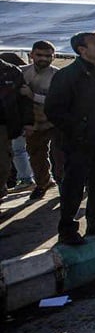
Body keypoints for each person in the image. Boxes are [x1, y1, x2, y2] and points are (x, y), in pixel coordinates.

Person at [45, 32, 95, 245]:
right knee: (74, 187)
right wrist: (79, 130)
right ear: (82, 49)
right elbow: (54, 110)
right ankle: (68, 230)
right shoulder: (68, 75)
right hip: (79, 143)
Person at [20, 40, 63, 199]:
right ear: (31, 55)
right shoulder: (21, 72)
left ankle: (63, 185)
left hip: (55, 122)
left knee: (60, 156)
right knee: (36, 156)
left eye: (48, 56)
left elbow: (58, 100)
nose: (43, 59)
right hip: (34, 123)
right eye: (39, 55)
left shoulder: (58, 75)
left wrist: (33, 96)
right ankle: (42, 183)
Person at [0, 54, 33, 215]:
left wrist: (27, 122)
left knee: (4, 163)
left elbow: (23, 100)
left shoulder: (10, 71)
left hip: (4, 125)